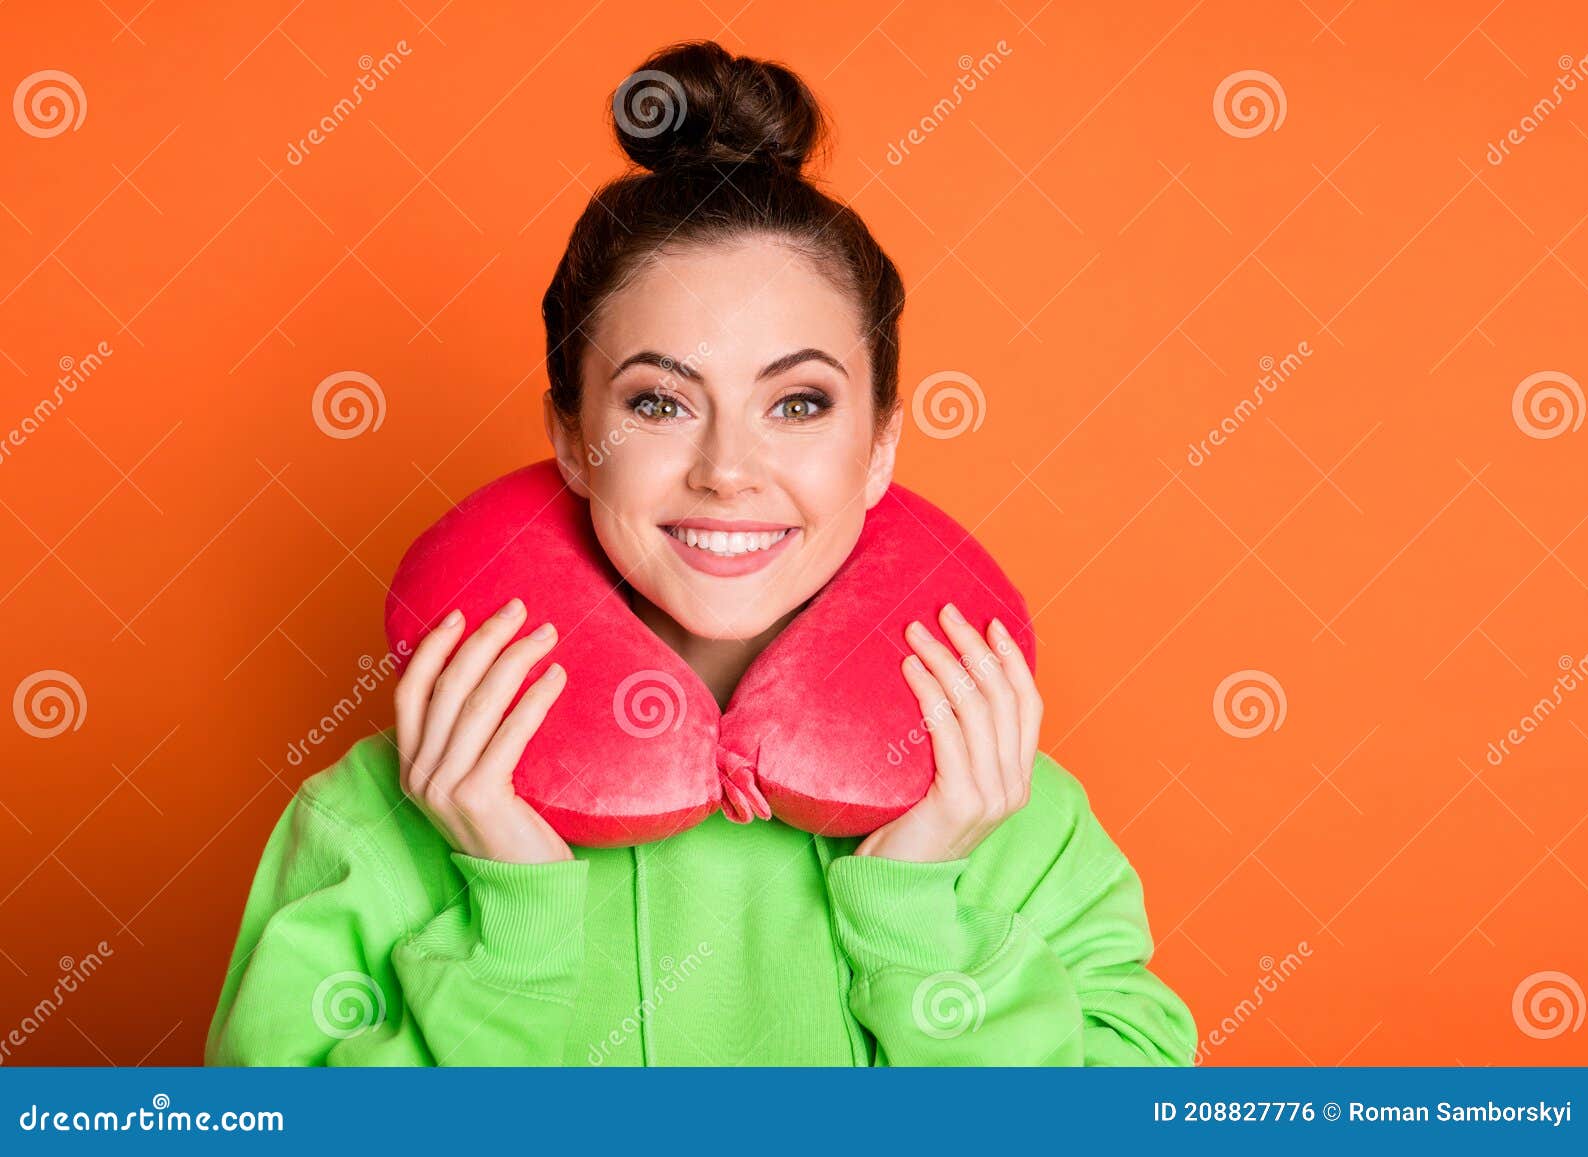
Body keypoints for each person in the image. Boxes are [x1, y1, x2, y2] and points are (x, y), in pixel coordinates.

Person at [204, 38, 1198, 1067]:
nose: (728, 468)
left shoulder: (1006, 809)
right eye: (660, 402)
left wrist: (916, 912)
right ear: (573, 439)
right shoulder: (378, 816)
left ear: (880, 448)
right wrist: (513, 921)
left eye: (799, 402)